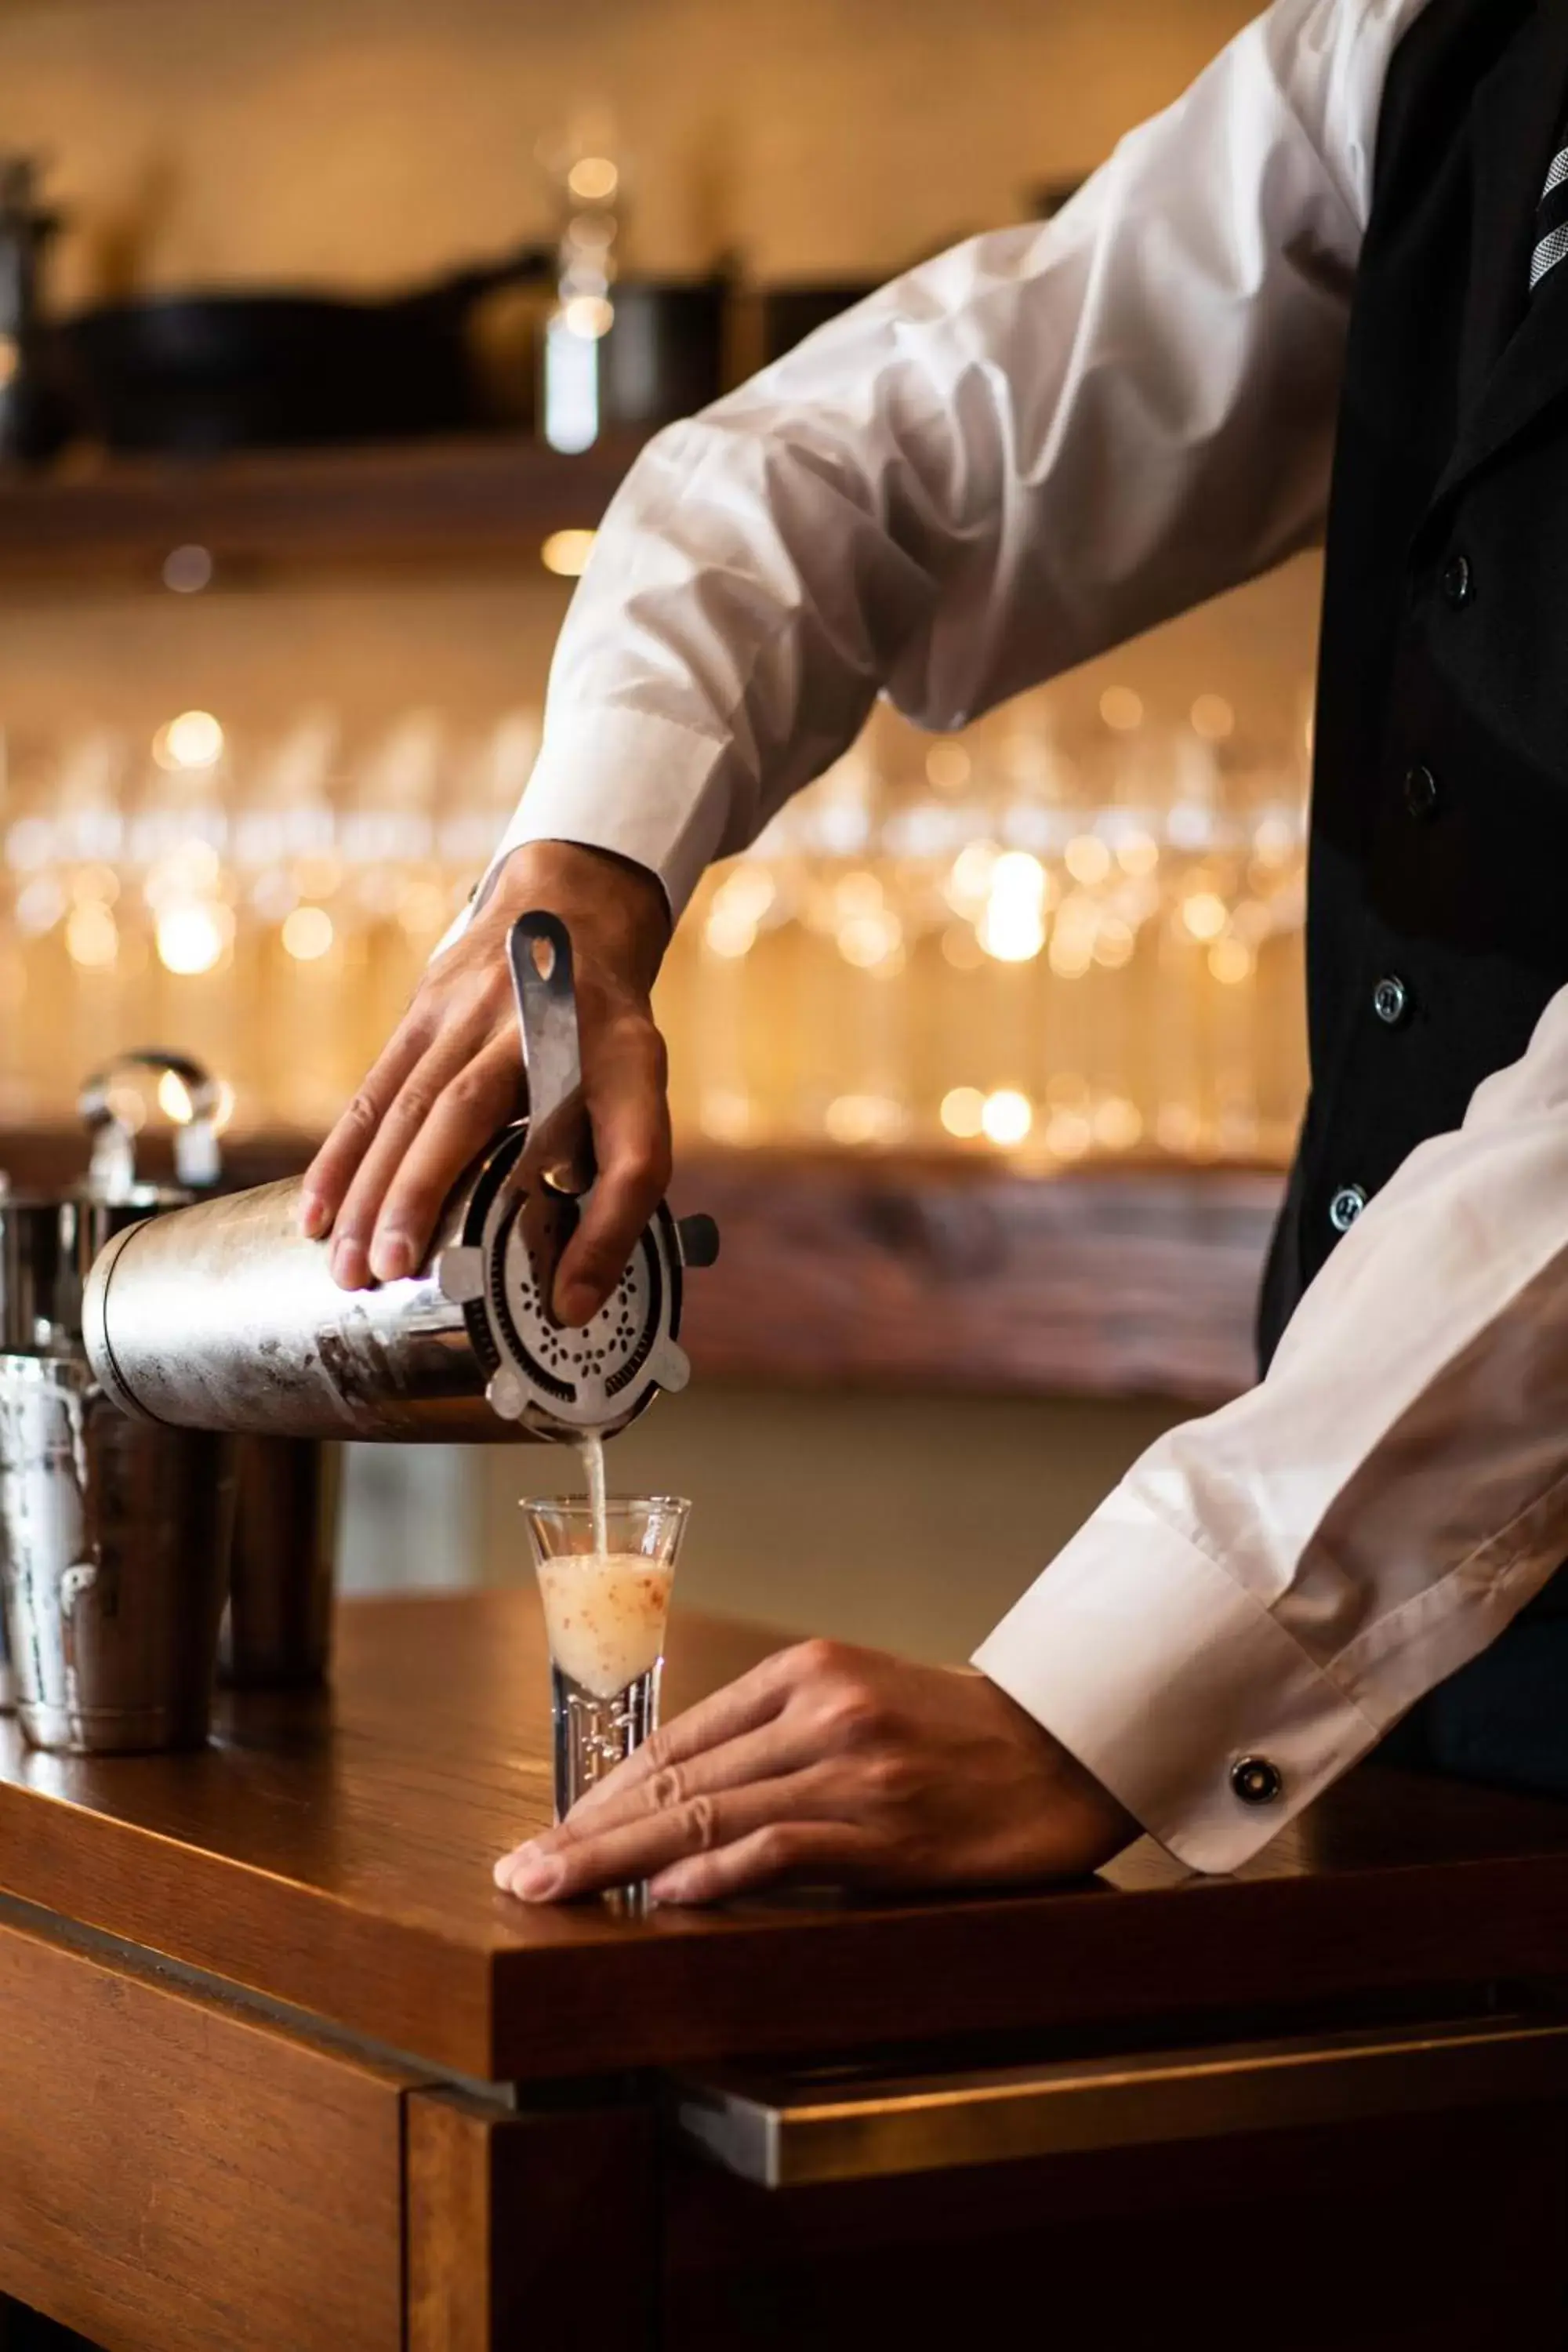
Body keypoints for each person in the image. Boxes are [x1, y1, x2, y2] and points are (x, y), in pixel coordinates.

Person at [303, 0, 1568, 1905]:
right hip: (1424, 1724)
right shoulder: (1423, 51)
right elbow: (861, 452)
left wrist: (1089, 1700)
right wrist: (581, 865)